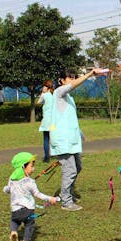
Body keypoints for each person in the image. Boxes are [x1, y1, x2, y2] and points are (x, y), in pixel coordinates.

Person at [51, 67, 108, 211]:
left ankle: (67, 193)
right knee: (70, 170)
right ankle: (66, 201)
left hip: (72, 140)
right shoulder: (58, 92)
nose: (72, 80)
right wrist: (89, 74)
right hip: (63, 141)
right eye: (69, 77)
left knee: (77, 167)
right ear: (61, 80)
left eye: (73, 77)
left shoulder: (69, 98)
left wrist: (80, 133)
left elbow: (69, 118)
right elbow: (72, 85)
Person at [3, 152, 59, 241]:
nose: (33, 169)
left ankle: (13, 232)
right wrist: (50, 199)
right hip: (28, 210)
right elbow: (38, 194)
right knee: (30, 224)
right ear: (23, 167)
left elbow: (7, 189)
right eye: (32, 166)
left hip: (15, 209)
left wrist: (6, 189)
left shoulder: (12, 179)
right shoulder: (30, 182)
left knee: (14, 221)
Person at [37, 80, 54, 163]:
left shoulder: (45, 95)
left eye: (44, 86)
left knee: (46, 139)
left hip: (46, 120)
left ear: (46, 87)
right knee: (53, 138)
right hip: (53, 120)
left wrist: (42, 93)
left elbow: (39, 102)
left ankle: (47, 157)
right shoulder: (53, 95)